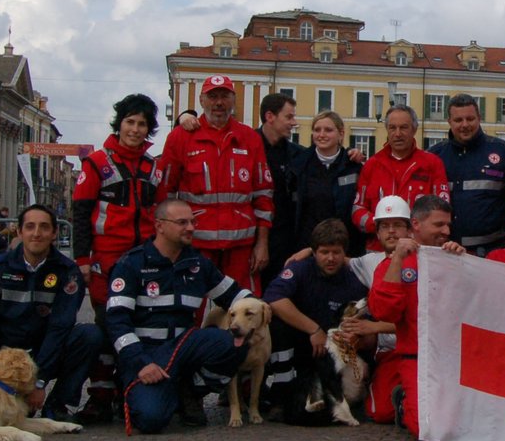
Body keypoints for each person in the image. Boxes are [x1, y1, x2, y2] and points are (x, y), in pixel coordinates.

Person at [104, 198, 254, 433]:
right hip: (147, 354)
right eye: (182, 222)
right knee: (150, 420)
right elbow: (116, 322)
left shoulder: (197, 263)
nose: (191, 228)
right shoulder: (131, 264)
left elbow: (237, 296)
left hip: (184, 349)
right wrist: (141, 363)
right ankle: (142, 392)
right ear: (159, 225)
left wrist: (268, 307)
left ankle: (191, 391)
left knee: (235, 343)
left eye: (193, 222)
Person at [0, 205, 100, 422]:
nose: (37, 233)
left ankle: (58, 404)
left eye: (44, 227)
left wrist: (38, 382)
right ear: (20, 232)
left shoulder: (68, 272)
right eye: (30, 227)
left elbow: (60, 328)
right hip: (5, 355)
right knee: (8, 413)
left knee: (90, 335)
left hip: (45, 352)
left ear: (54, 233)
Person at [156, 74, 274, 289]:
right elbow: (165, 194)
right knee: (190, 308)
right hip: (194, 244)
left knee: (244, 310)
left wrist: (262, 243)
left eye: (224, 96)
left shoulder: (250, 138)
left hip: (241, 247)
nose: (218, 103)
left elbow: (264, 196)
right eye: (212, 97)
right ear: (201, 100)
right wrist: (168, 241)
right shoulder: (180, 138)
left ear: (233, 100)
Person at [364, 195, 467, 437]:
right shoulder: (393, 264)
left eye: (448, 225)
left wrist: (463, 263)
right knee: (427, 429)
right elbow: (383, 311)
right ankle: (402, 401)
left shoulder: (453, 257)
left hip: (451, 358)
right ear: (417, 225)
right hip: (415, 356)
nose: (446, 230)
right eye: (439, 225)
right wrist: (398, 259)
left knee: (461, 423)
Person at [261, 217, 369, 422]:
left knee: (352, 394)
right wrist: (313, 330)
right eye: (324, 252)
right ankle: (280, 397)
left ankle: (330, 404)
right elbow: (274, 299)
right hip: (302, 343)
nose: (330, 258)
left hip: (335, 351)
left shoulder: (355, 280)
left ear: (344, 253)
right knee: (277, 327)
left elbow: (368, 329)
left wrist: (353, 339)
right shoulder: (300, 269)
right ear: (313, 252)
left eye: (336, 252)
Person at [72, 93, 164, 321]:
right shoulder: (97, 162)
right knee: (108, 321)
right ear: (119, 124)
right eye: (130, 122)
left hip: (144, 257)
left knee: (142, 319)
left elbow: (161, 214)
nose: (135, 129)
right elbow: (81, 213)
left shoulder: (154, 167)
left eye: (142, 124)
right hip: (106, 259)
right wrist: (82, 260)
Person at [350, 103, 450, 253]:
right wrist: (382, 225)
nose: (397, 133)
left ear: (414, 129)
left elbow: (442, 210)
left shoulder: (432, 164)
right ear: (387, 130)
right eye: (392, 128)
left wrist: (410, 229)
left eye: (404, 127)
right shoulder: (372, 165)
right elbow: (358, 209)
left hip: (419, 251)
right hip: (378, 251)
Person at [430, 94, 505, 256]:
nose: (465, 125)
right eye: (458, 120)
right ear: (449, 122)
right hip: (447, 250)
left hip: (493, 250)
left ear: (479, 118)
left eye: (470, 119)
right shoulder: (435, 156)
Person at [288, 109, 365, 255]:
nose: (321, 135)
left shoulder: (353, 167)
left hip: (345, 248)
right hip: (307, 247)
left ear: (341, 134)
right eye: (317, 130)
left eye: (328, 130)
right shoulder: (298, 166)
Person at [257, 92, 303, 275]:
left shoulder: (297, 154)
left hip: (287, 240)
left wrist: (350, 154)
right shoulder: (248, 147)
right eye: (289, 117)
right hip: (255, 239)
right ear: (270, 117)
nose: (294, 122)